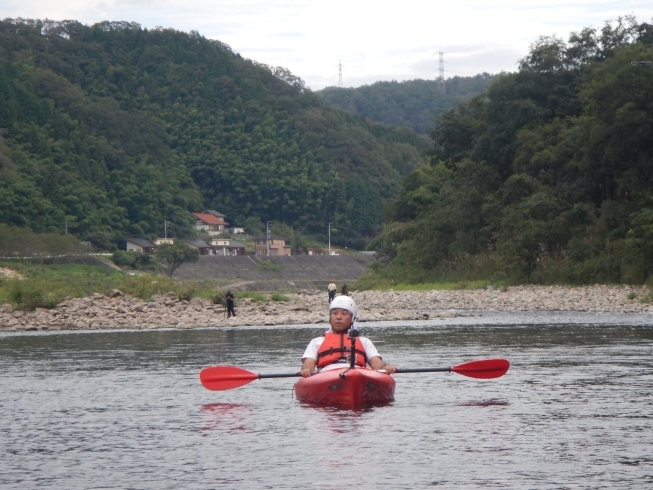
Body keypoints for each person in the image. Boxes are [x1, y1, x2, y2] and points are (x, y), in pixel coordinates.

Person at [300, 296, 397, 377]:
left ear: (352, 319)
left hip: (358, 374)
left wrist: (384, 368)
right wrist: (307, 370)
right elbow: (309, 363)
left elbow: (376, 364)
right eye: (334, 313)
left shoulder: (364, 341)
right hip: (327, 375)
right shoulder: (317, 342)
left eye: (344, 314)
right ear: (330, 318)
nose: (338, 317)